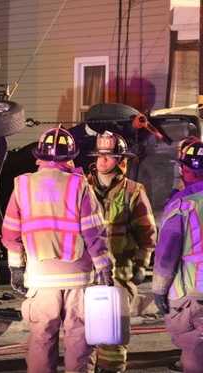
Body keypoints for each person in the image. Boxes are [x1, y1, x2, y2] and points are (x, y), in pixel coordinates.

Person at [1, 126, 114, 373]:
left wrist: (15, 268)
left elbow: (10, 233)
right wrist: (105, 268)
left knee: (41, 338)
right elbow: (94, 232)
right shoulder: (79, 185)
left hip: (41, 280)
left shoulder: (22, 186)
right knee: (79, 339)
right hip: (78, 279)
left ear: (38, 156)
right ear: (71, 157)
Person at [87, 131, 157, 373]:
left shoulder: (133, 191)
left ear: (121, 161)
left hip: (119, 273)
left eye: (109, 156)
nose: (102, 160)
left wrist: (141, 264)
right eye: (100, 155)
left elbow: (147, 233)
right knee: (85, 336)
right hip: (88, 274)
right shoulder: (81, 187)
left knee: (113, 336)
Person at [152, 139, 203, 373]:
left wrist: (159, 290)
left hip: (193, 292)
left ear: (185, 169)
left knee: (194, 345)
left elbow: (166, 256)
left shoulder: (182, 205)